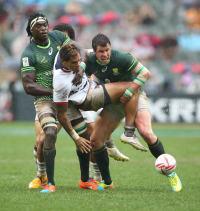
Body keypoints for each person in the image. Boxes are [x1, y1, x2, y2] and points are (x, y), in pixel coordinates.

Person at [29, 22, 129, 189]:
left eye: (65, 39)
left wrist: (83, 67)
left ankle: (94, 177)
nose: (60, 43)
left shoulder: (79, 55)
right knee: (43, 139)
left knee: (92, 138)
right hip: (56, 102)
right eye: (57, 39)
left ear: (73, 41)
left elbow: (94, 55)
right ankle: (41, 176)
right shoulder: (53, 61)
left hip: (78, 101)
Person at [85, 33, 182, 192]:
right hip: (115, 102)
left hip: (134, 96)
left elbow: (146, 73)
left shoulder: (122, 57)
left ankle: (172, 174)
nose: (105, 54)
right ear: (94, 51)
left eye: (107, 50)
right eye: (101, 51)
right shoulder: (89, 61)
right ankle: (107, 182)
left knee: (146, 132)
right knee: (95, 141)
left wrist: (130, 91)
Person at [20, 13, 102, 193]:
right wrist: (54, 92)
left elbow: (78, 48)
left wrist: (81, 68)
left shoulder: (57, 37)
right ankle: (48, 182)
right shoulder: (29, 53)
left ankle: (85, 180)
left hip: (66, 96)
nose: (43, 28)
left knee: (85, 136)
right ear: (31, 30)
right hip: (45, 99)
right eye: (39, 26)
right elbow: (28, 85)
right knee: (48, 133)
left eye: (45, 24)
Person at [53, 42, 148, 189]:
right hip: (89, 98)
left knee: (93, 141)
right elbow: (61, 114)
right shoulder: (60, 82)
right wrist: (75, 137)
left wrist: (81, 67)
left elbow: (85, 52)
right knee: (132, 86)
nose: (78, 65)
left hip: (84, 96)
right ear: (64, 62)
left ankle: (101, 182)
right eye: (74, 63)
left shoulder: (66, 57)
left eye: (79, 61)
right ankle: (129, 131)